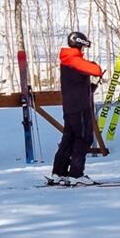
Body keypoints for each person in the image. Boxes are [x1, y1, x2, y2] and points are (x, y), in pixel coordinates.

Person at [51, 31, 104, 182]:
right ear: (80, 44)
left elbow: (76, 82)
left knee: (69, 138)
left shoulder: (67, 59)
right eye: (83, 47)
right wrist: (93, 66)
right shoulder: (74, 59)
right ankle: (76, 174)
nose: (83, 51)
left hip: (70, 107)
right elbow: (96, 70)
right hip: (80, 107)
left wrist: (89, 87)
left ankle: (58, 172)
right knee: (84, 138)